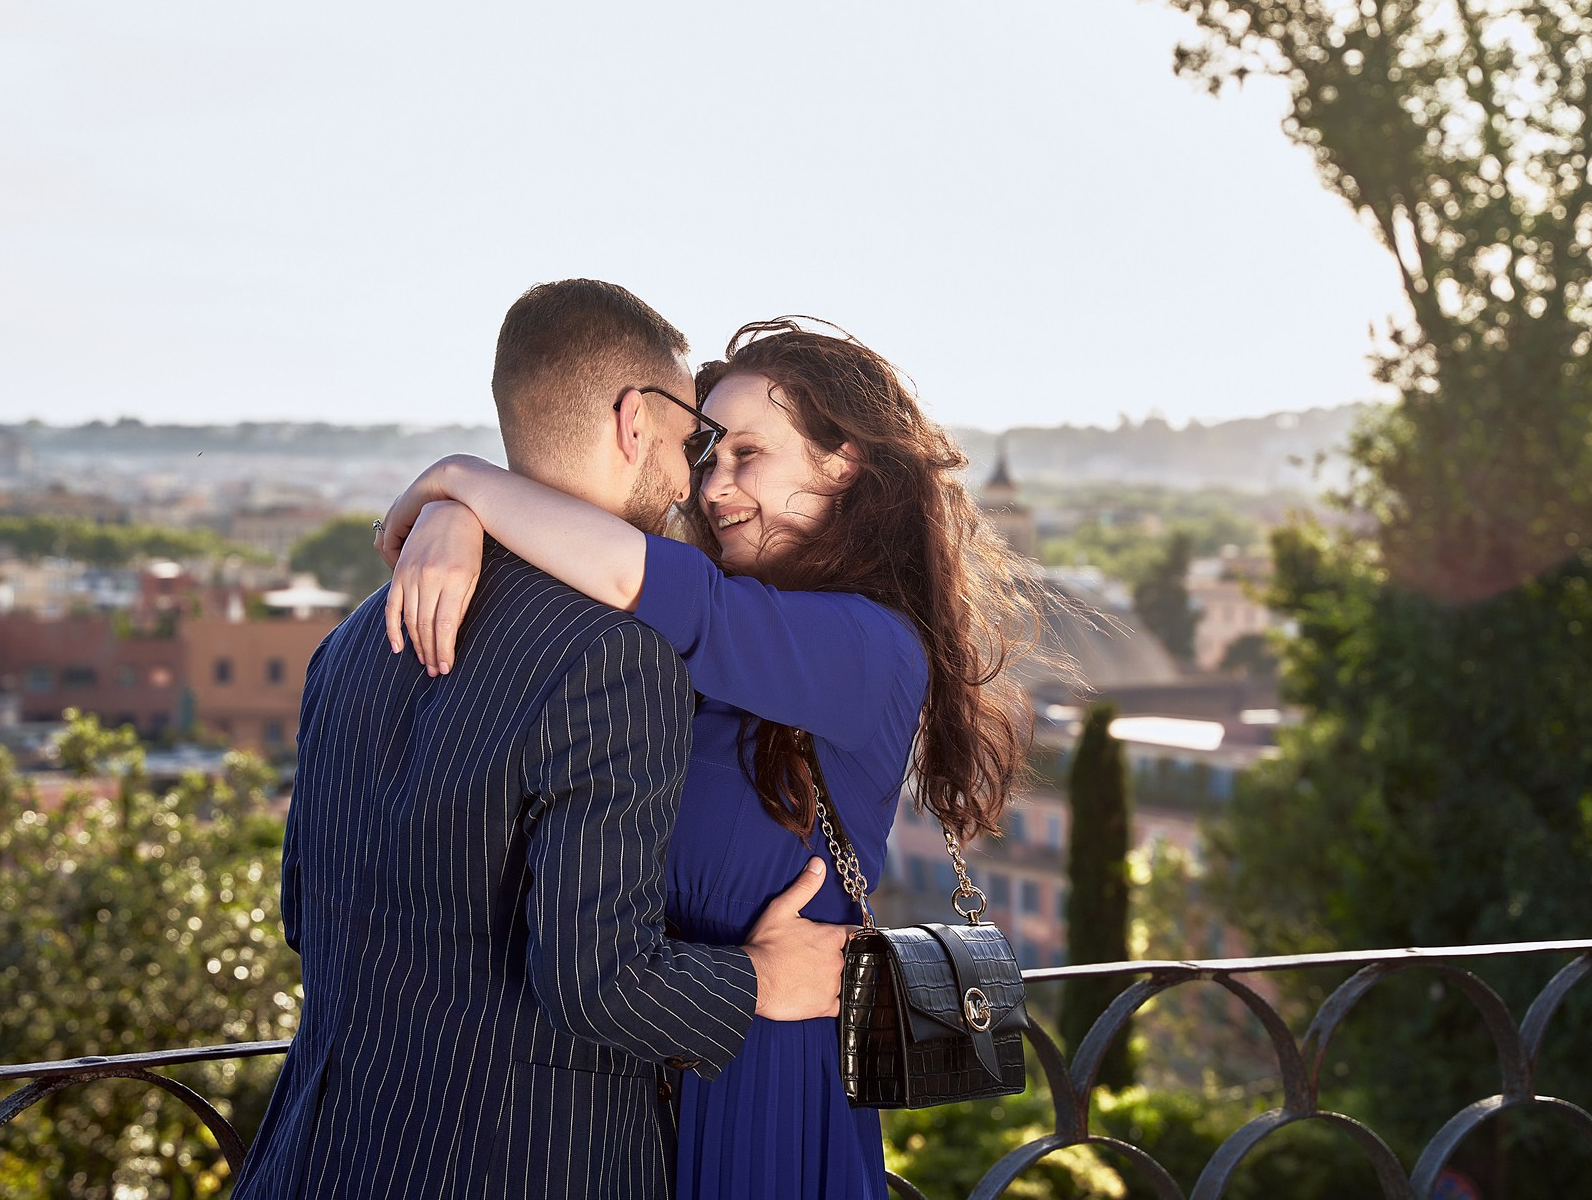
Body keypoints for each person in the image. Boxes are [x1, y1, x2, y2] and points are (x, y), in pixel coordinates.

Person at [376, 318, 1044, 1200]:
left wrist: (459, 481)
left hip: (766, 1067)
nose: (716, 483)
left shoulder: (865, 644)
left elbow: (633, 575)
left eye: (748, 454)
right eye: (707, 453)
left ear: (842, 461)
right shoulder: (721, 625)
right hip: (644, 1061)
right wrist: (460, 522)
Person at [232, 282, 852, 1200]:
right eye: (691, 440)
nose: (692, 481)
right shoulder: (616, 656)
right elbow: (597, 978)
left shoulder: (355, 636)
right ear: (632, 421)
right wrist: (761, 978)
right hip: (524, 1164)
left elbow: (302, 911)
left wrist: (454, 499)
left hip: (318, 1157)